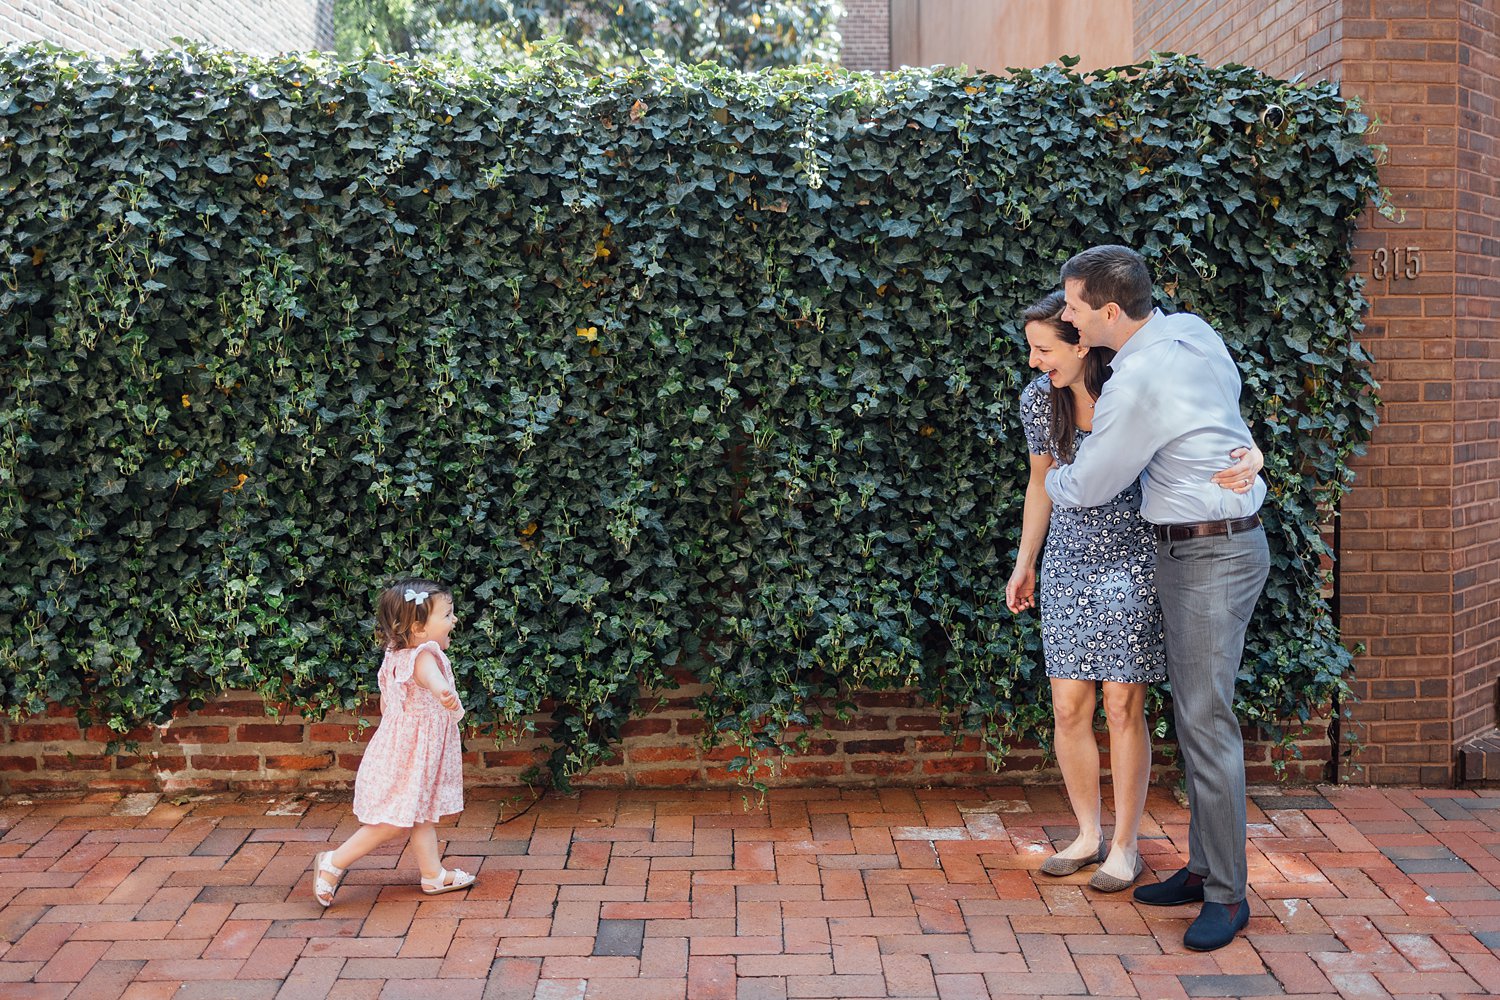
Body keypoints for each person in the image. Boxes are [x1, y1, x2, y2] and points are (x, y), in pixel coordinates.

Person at [1043, 245, 1270, 952]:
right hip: (1206, 544)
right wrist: (1243, 451)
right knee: (1198, 716)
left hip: (1207, 552)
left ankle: (1229, 899)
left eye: (1074, 306)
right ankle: (1204, 870)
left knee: (1207, 723)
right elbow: (1223, 402)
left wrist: (1051, 478)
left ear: (1110, 312)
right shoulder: (1191, 330)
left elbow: (1091, 485)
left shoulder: (1135, 380)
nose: (1067, 316)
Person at [311, 578, 476, 906]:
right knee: (390, 822)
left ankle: (432, 874)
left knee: (422, 815)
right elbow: (431, 677)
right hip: (409, 753)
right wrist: (443, 691)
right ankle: (333, 861)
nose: (454, 620)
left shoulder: (395, 653)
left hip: (406, 747)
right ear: (418, 628)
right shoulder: (424, 655)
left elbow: (388, 703)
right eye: (447, 615)